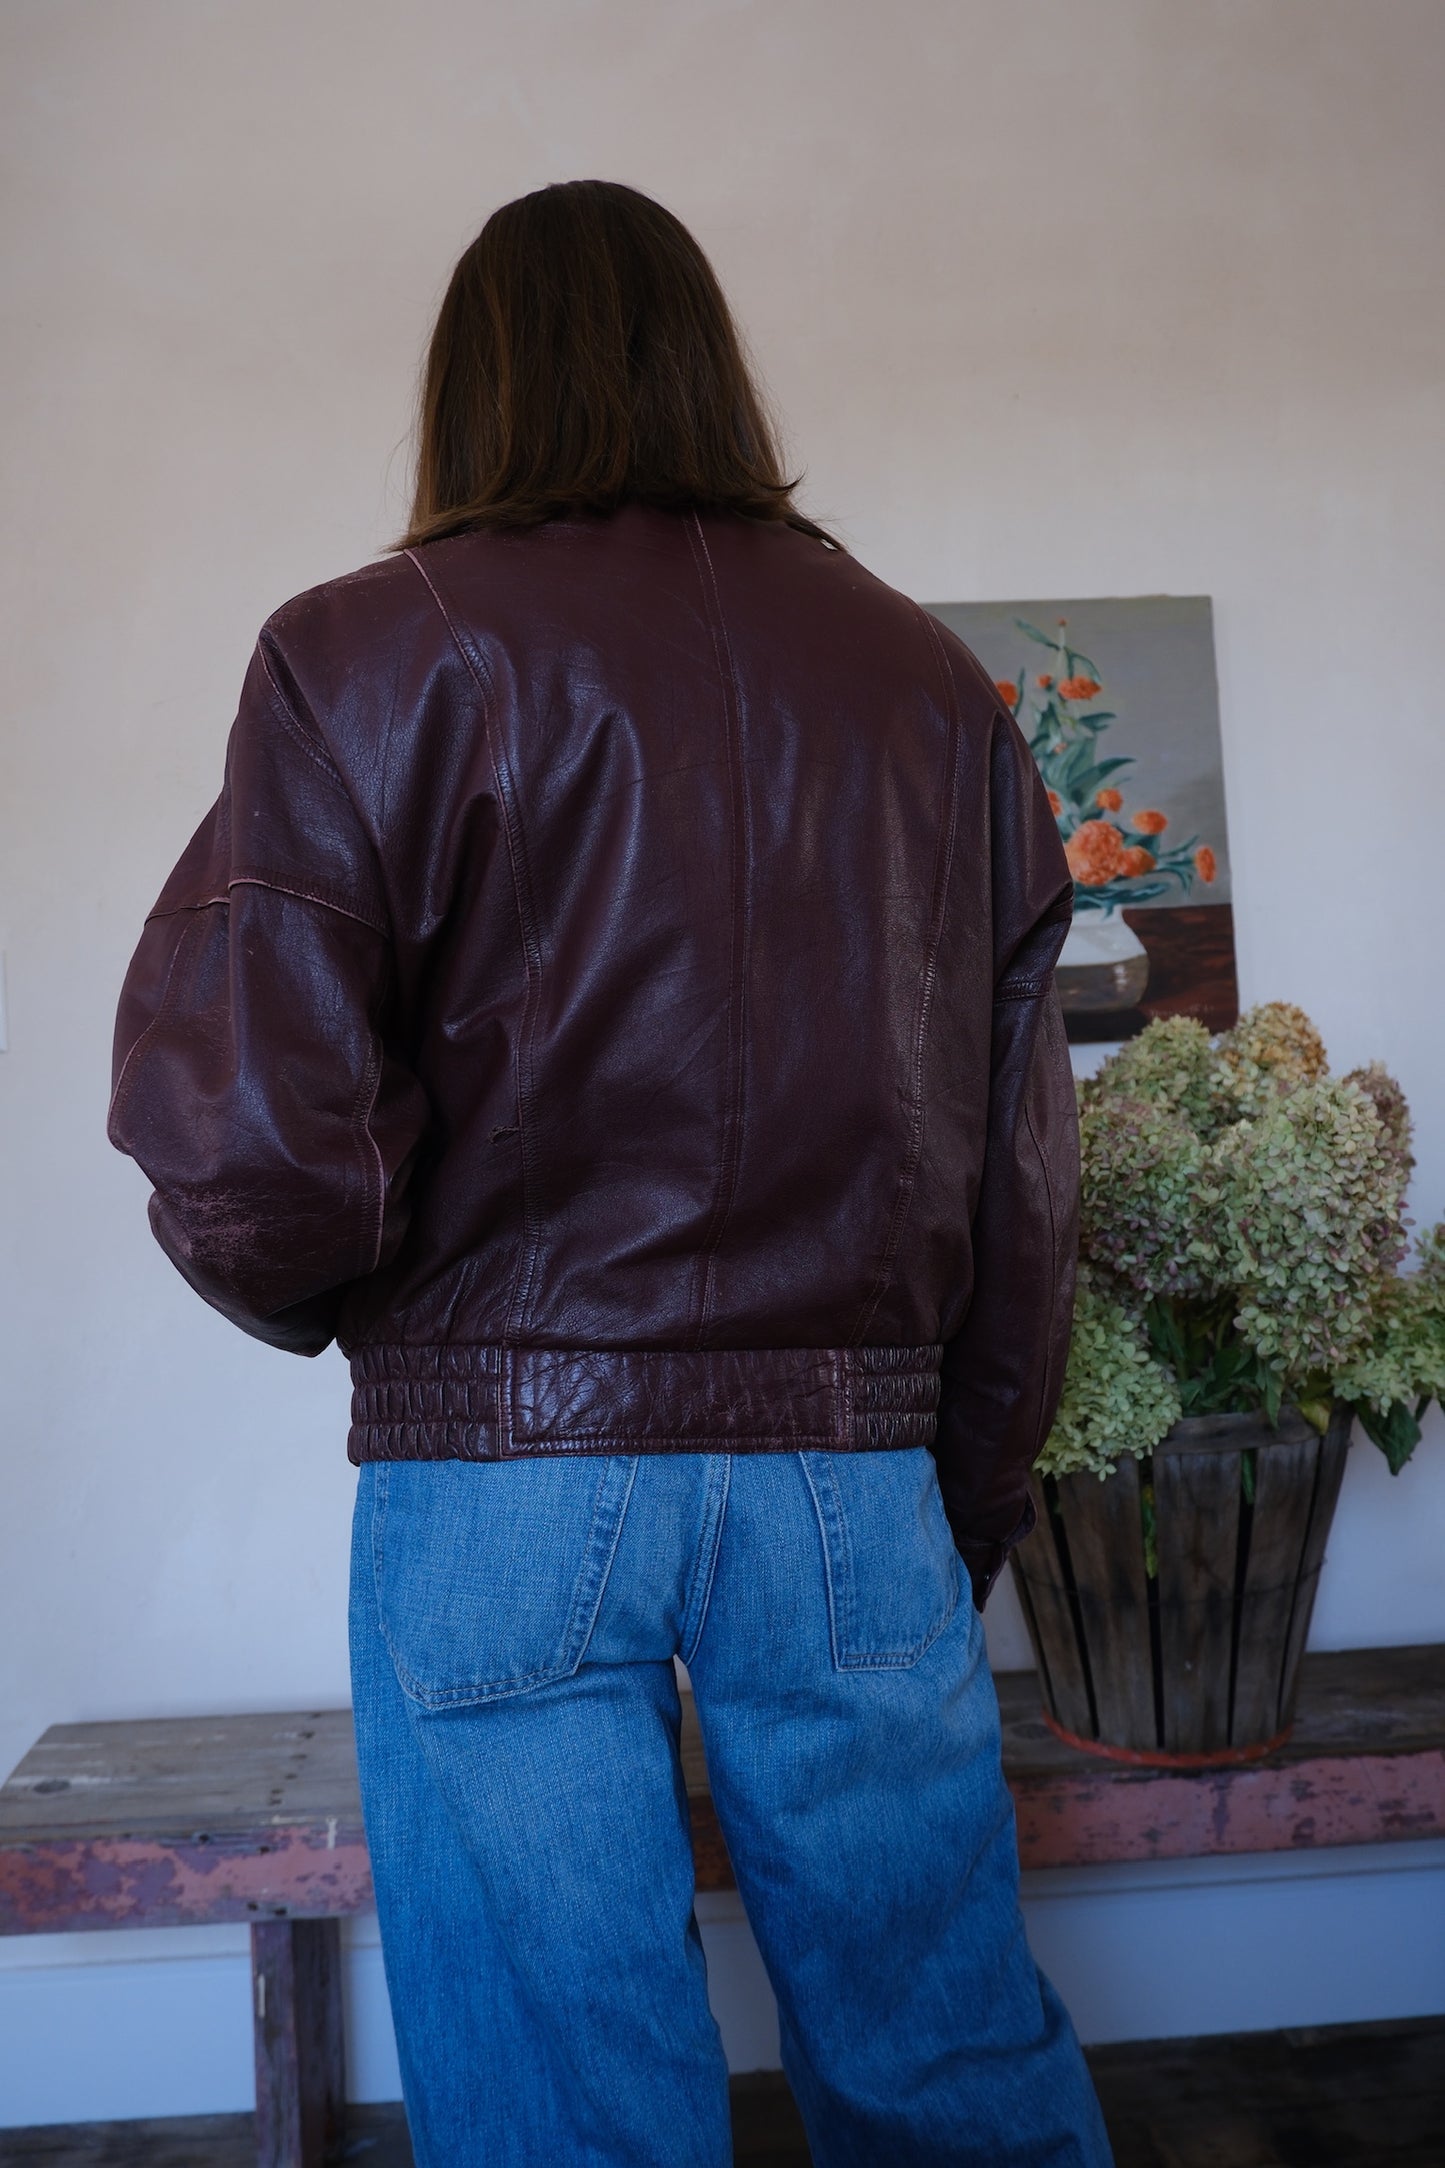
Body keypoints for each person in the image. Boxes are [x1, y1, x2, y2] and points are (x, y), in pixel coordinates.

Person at [108, 179, 1112, 2167]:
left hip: (499, 1475)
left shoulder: (360, 655)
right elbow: (1024, 1183)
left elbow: (247, 1142)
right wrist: (960, 1496)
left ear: (471, 388)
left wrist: (381, 1315)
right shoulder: (931, 693)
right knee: (951, 2069)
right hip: (846, 1477)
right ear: (709, 371)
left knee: (566, 2119)